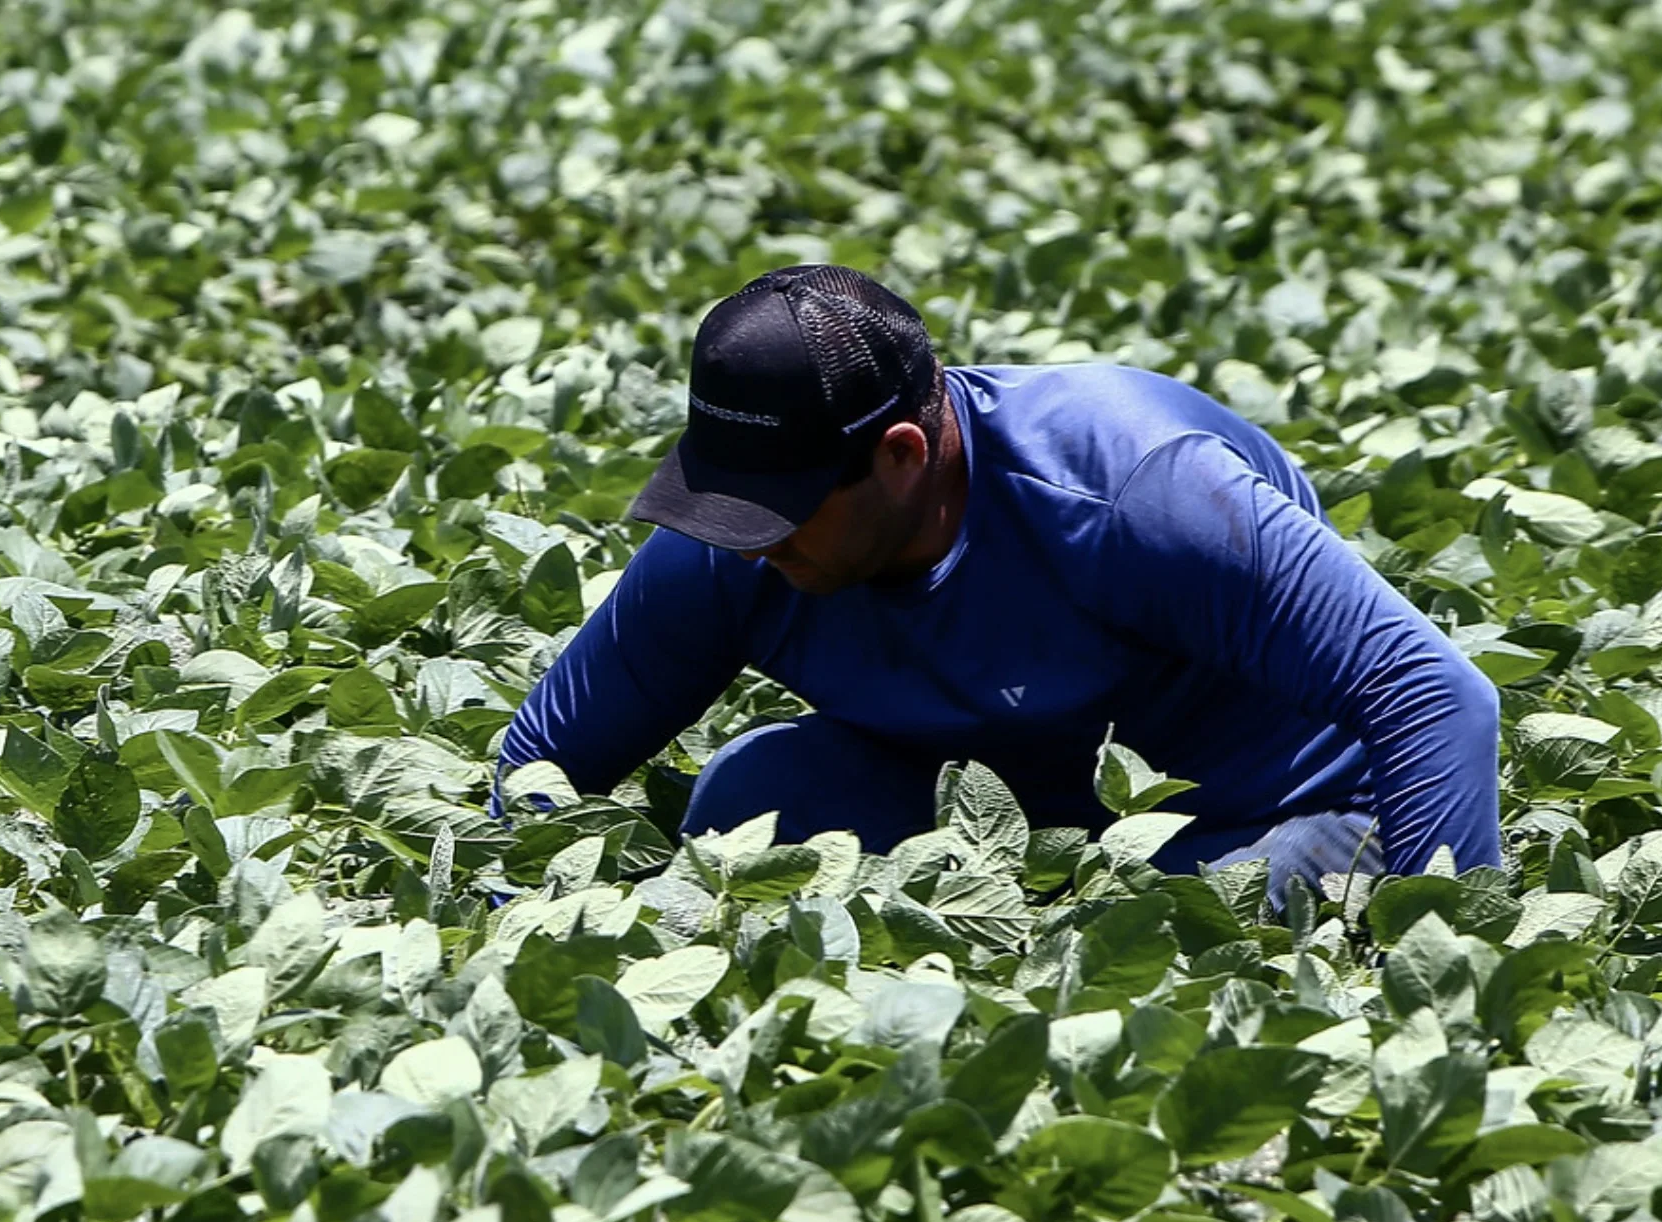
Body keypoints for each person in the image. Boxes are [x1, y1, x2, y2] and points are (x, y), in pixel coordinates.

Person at [496, 264, 1501, 908]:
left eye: (777, 512)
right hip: (977, 839)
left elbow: (1430, 695)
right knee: (753, 798)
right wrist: (515, 921)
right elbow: (542, 759)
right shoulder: (730, 547)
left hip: (1247, 826)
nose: (747, 547)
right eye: (724, 507)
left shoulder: (1137, 491)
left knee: (1200, 915)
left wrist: (1436, 957)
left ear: (902, 456)